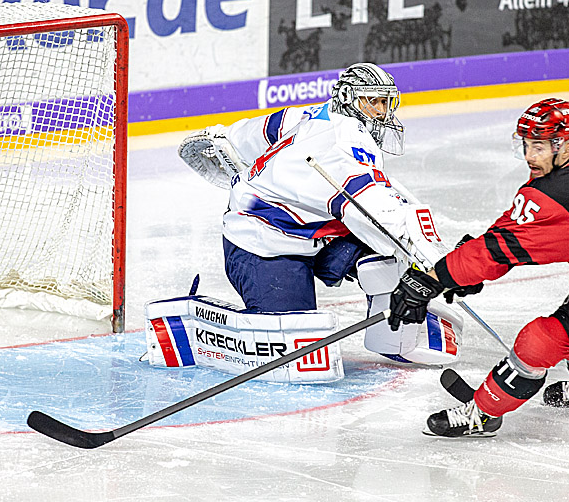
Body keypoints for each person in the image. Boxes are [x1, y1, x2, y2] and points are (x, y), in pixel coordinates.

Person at [386, 98, 569, 437]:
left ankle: (483, 415)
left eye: (540, 146)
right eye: (527, 144)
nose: (530, 155)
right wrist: (466, 266)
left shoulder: (562, 194)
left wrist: (430, 280)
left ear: (568, 143)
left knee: (539, 341)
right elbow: (510, 233)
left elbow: (500, 250)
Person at [177, 62, 463, 365]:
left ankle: (393, 335)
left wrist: (223, 138)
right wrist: (438, 265)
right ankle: (205, 330)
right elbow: (375, 212)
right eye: (372, 101)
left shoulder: (314, 113)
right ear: (349, 98)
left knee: (387, 260)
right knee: (293, 350)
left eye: (385, 101)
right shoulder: (346, 143)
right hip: (264, 242)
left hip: (316, 232)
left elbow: (256, 133)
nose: (381, 111)